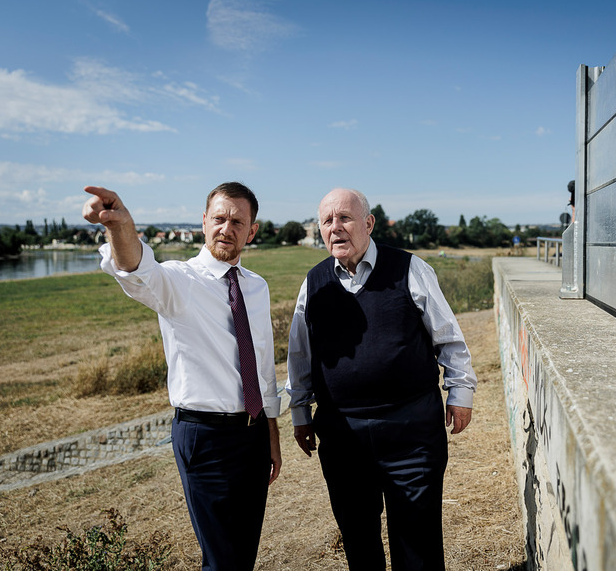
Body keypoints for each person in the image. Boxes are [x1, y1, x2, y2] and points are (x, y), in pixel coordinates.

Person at [81, 183, 281, 571]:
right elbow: (137, 269)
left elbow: (262, 365)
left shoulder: (257, 286)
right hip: (205, 438)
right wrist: (119, 227)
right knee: (222, 561)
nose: (227, 228)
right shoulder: (180, 281)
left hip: (253, 435)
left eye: (237, 222)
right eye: (219, 219)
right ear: (204, 222)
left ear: (252, 231)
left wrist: (271, 434)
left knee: (243, 556)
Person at [286, 188, 477, 570]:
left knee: (417, 540)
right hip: (342, 435)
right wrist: (300, 413)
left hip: (411, 432)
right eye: (327, 221)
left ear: (368, 223)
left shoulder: (411, 269)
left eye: (345, 218)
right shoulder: (314, 283)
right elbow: (300, 356)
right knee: (359, 539)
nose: (335, 228)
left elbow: (448, 338)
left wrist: (460, 392)